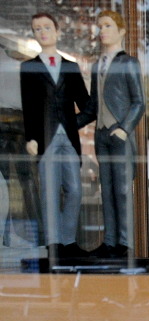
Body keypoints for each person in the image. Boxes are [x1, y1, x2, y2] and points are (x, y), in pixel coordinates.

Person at [20, 12, 90, 259]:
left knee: (74, 189)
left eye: (47, 27)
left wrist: (72, 123)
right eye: (37, 29)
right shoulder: (28, 67)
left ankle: (68, 241)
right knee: (49, 192)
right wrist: (31, 137)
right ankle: (54, 243)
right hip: (45, 137)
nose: (42, 32)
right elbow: (29, 106)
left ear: (57, 31)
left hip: (68, 137)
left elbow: (87, 104)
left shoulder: (70, 66)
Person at [76, 10, 144, 258]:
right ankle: (110, 241)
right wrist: (66, 124)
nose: (102, 31)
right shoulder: (97, 66)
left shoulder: (129, 63)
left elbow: (139, 102)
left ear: (121, 31)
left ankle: (124, 242)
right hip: (101, 135)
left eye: (107, 26)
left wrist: (124, 129)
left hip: (119, 135)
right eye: (100, 26)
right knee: (107, 188)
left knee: (123, 190)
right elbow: (92, 107)